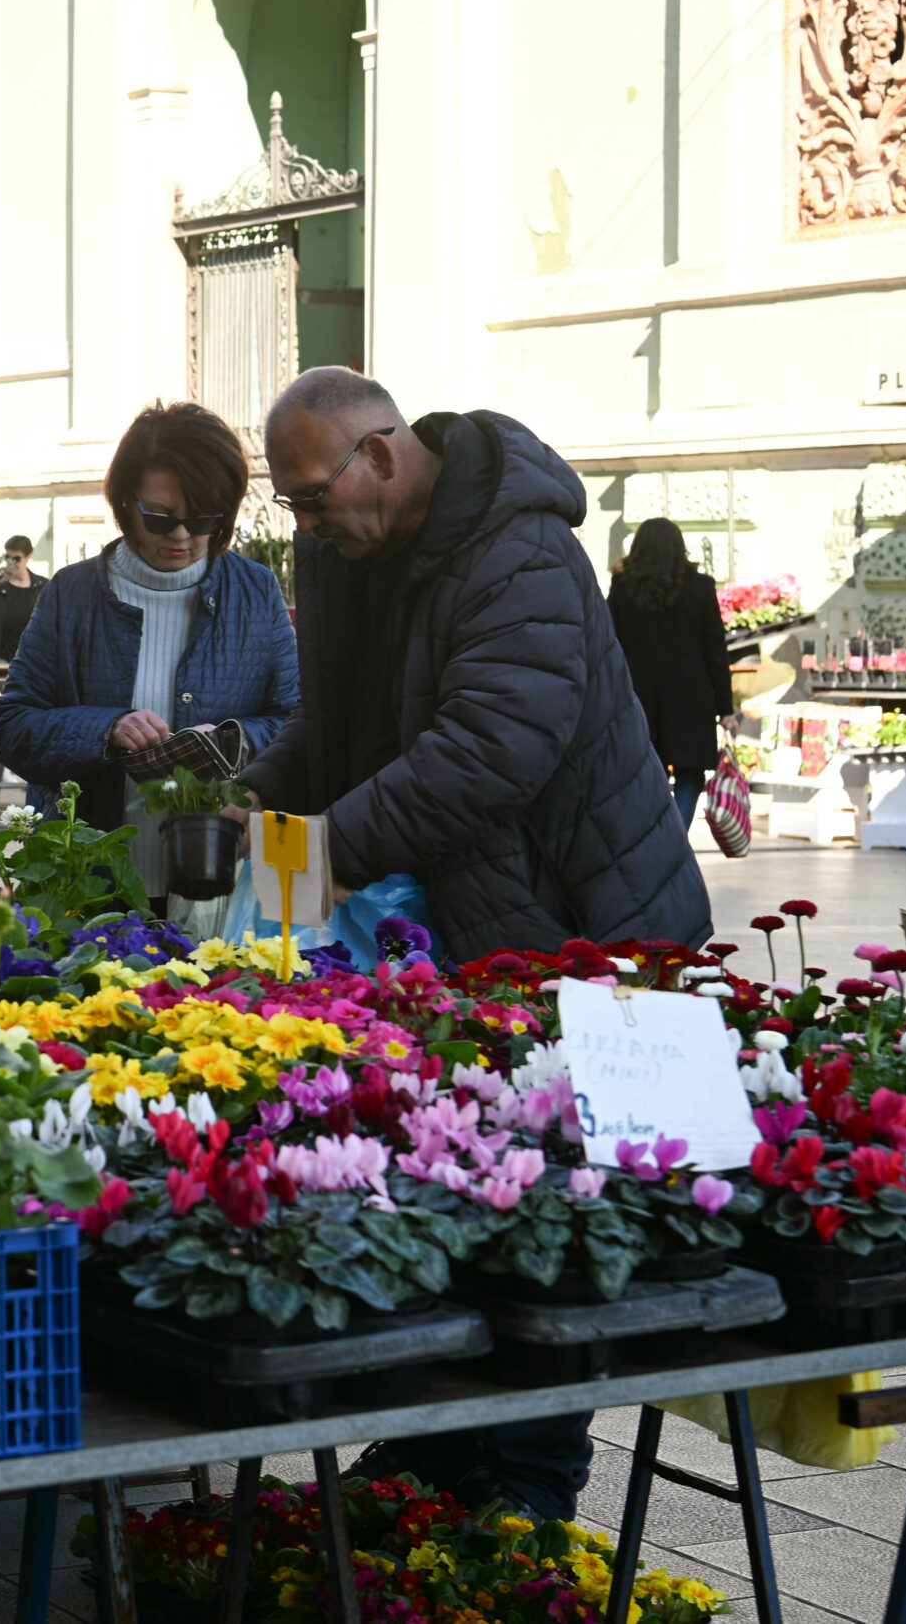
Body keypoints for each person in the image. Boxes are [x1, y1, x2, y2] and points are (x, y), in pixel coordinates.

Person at [237, 366, 712, 1527]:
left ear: (383, 456)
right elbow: (331, 728)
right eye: (289, 505)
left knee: (563, 1235)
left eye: (308, 497)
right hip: (472, 939)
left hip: (590, 937)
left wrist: (313, 854)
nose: (302, 522)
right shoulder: (347, 551)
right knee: (453, 1199)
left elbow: (492, 748)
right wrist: (243, 828)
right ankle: (422, 1475)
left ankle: (522, 1510)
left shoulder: (520, 549)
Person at [0, 403, 298, 907]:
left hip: (219, 890)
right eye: (160, 518)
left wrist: (231, 741)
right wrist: (106, 730)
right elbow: (13, 727)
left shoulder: (256, 591)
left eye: (203, 518)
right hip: (87, 888)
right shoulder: (72, 593)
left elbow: (295, 722)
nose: (181, 536)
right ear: (125, 503)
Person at [608, 518, 733, 834]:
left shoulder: (623, 588)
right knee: (691, 773)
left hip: (639, 697)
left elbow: (609, 644)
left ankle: (656, 837)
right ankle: (676, 835)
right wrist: (726, 709)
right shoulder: (701, 587)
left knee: (650, 771)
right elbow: (715, 651)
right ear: (680, 547)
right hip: (692, 698)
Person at [0, 535, 48, 662]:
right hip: (0, 660)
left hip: (34, 661)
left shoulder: (43, 587)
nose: (11, 563)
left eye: (17, 558)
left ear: (29, 556)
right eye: (8, 557)